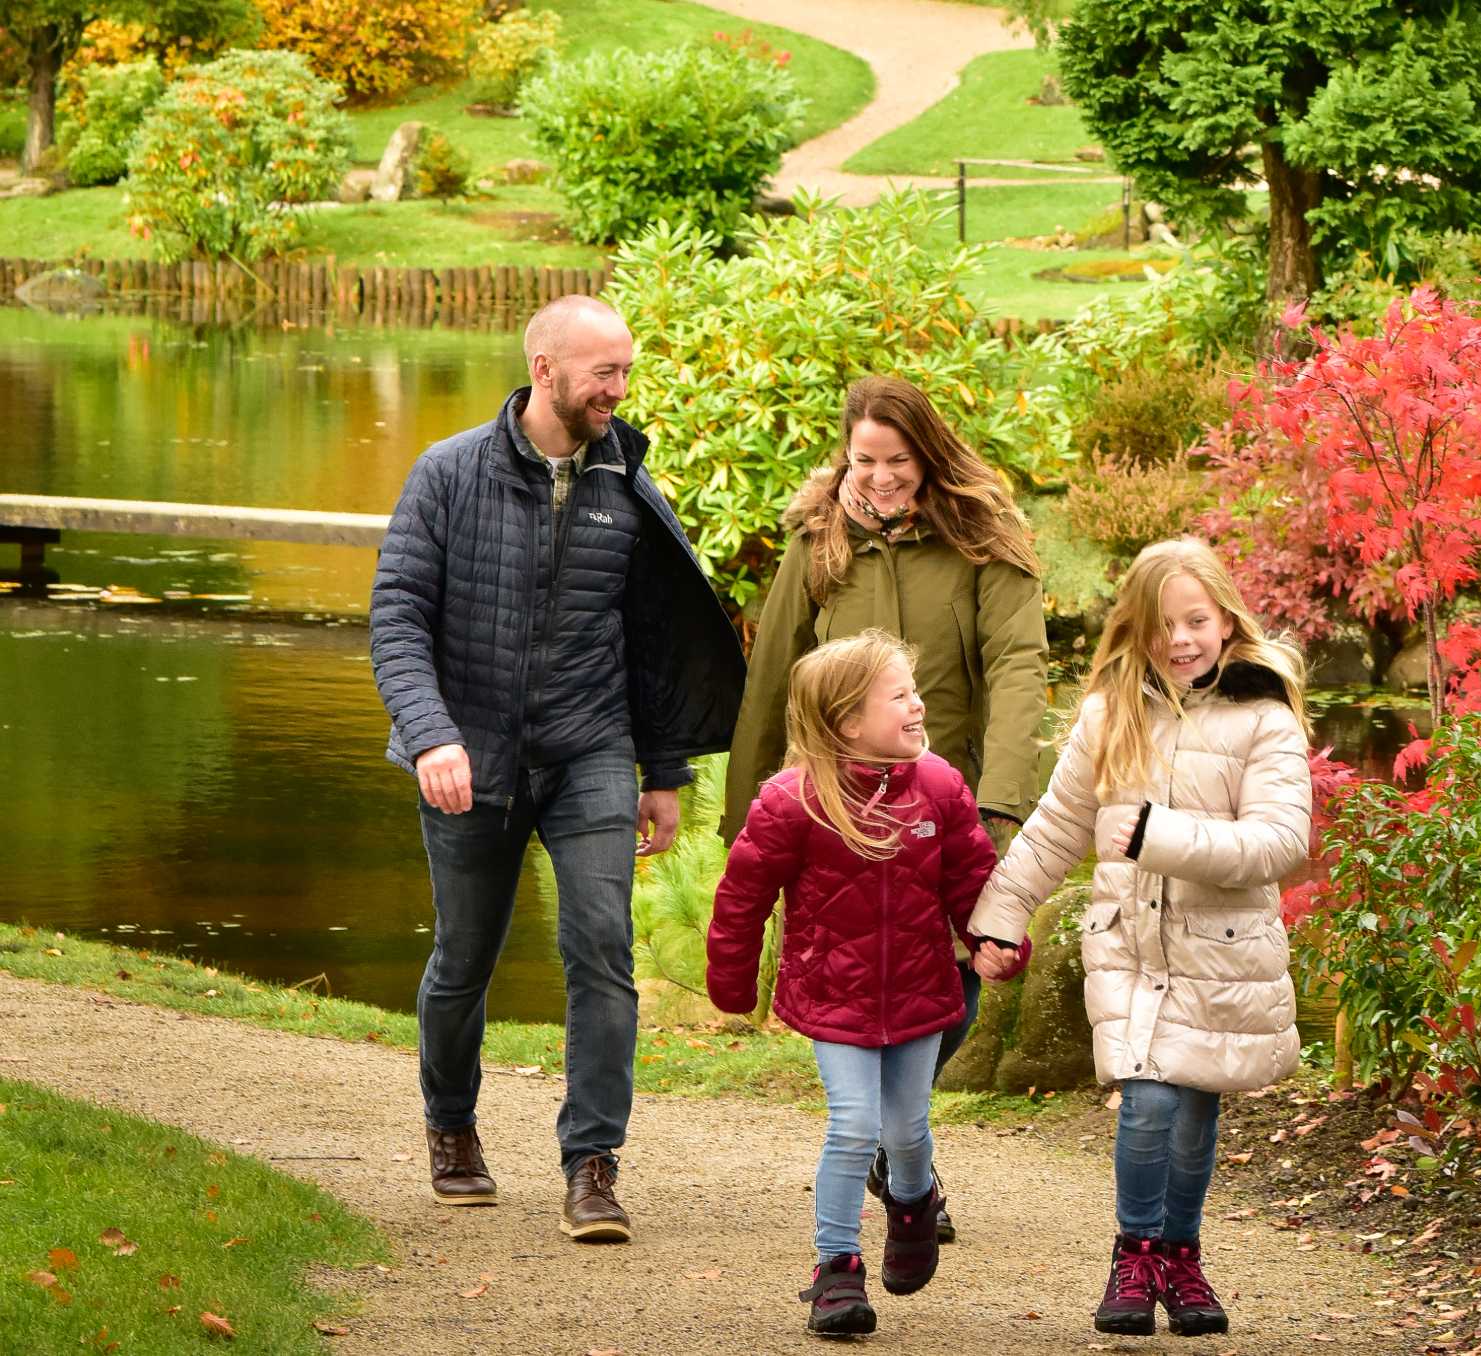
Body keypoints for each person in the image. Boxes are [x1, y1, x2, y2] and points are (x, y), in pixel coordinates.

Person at [370, 294, 745, 1244]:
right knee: (464, 962)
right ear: (545, 370)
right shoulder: (448, 474)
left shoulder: (627, 484)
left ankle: (592, 1162)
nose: (618, 390)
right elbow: (397, 618)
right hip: (471, 757)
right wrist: (430, 735)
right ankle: (451, 1126)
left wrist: (662, 771)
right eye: (602, 374)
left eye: (624, 371)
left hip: (588, 753)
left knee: (602, 955)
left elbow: (655, 641)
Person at [721, 374, 1047, 1241]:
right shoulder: (820, 539)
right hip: (836, 811)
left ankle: (899, 1144)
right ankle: (901, 1157)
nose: (879, 478)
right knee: (865, 974)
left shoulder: (983, 539)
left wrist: (1002, 801)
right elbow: (774, 677)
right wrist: (742, 812)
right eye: (864, 460)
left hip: (952, 803)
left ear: (928, 457)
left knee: (955, 992)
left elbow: (1019, 666)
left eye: (897, 460)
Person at [968, 538, 1312, 1339]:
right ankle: (1134, 1253)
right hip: (1132, 946)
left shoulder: (1264, 715)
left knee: (1194, 1110)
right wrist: (1001, 911)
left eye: (1196, 620)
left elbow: (1277, 843)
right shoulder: (1108, 712)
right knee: (1148, 1103)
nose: (1181, 639)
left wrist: (1157, 835)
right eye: (1162, 625)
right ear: (1136, 629)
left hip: (1221, 951)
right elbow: (1057, 829)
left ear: (1226, 620)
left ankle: (1180, 1254)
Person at [706, 631, 1026, 1337]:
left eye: (915, 691)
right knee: (854, 1125)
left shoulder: (939, 785)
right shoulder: (793, 800)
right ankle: (836, 1271)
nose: (918, 705)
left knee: (908, 1130)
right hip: (834, 997)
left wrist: (995, 941)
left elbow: (973, 881)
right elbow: (742, 896)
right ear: (850, 722)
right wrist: (732, 982)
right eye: (900, 695)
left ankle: (912, 1202)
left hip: (919, 991)